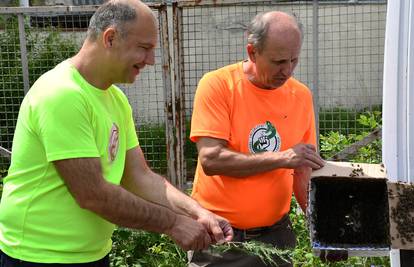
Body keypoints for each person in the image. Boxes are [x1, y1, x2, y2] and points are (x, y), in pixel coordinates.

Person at [0, 0, 233, 266]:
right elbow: (93, 194)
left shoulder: (115, 99)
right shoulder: (62, 94)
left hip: (90, 253)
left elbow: (139, 176)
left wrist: (197, 213)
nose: (151, 61)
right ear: (110, 38)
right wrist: (173, 223)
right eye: (144, 48)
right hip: (38, 256)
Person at [188, 11, 325, 267]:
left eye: (294, 60)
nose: (287, 71)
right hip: (221, 238)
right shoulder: (218, 86)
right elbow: (211, 159)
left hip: (277, 238)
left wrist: (321, 230)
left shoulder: (301, 96)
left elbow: (302, 169)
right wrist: (283, 158)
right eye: (278, 61)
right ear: (252, 52)